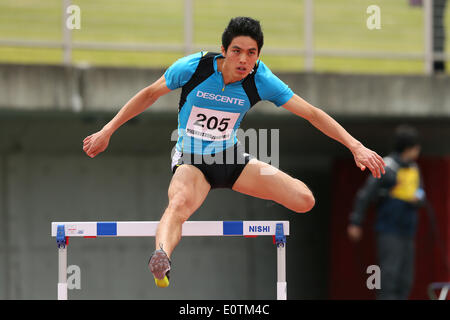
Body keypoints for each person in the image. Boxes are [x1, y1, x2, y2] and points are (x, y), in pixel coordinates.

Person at [83, 17, 386, 288]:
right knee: (179, 204)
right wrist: (108, 130)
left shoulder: (261, 79)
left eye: (251, 53)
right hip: (192, 160)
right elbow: (149, 94)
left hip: (231, 158)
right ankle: (161, 256)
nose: (243, 60)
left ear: (258, 56)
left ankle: (166, 249)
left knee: (305, 200)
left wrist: (355, 146)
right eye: (237, 51)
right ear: (224, 50)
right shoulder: (194, 68)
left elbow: (311, 113)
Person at [347, 125, 425, 300]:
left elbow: (421, 191)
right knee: (389, 277)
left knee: (405, 279)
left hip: (408, 231)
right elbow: (365, 195)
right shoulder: (386, 167)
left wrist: (417, 199)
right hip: (389, 230)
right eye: (416, 147)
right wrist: (356, 221)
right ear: (408, 147)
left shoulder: (414, 168)